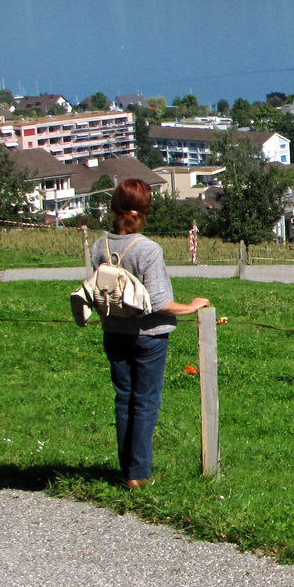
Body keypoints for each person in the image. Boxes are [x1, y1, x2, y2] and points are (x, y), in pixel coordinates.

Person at [91, 178, 210, 488]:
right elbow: (159, 303)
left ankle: (126, 469)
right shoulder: (147, 249)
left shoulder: (99, 246)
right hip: (149, 336)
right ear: (145, 210)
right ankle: (139, 474)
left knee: (123, 400)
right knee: (145, 402)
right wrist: (192, 306)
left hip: (114, 330)